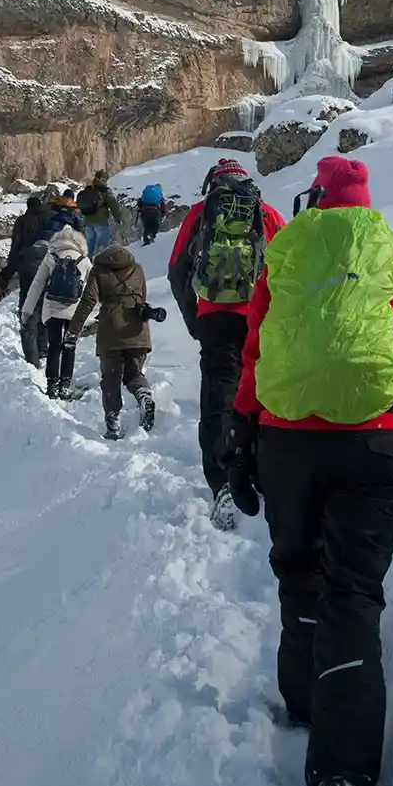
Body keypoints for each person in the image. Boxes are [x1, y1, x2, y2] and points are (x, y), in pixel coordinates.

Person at [226, 155, 393, 786]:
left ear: (316, 199)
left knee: (298, 573)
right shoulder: (388, 258)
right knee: (354, 594)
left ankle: (304, 701)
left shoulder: (285, 254)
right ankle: (345, 774)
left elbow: (255, 352)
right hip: (375, 443)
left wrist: (243, 432)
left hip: (287, 445)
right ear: (362, 202)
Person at [168, 158, 284, 529]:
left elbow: (176, 269)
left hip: (215, 318)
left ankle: (222, 485)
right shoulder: (266, 213)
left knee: (219, 397)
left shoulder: (202, 212)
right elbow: (286, 267)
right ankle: (261, 475)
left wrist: (194, 319)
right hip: (258, 316)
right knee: (259, 393)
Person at [68, 243, 158, 440]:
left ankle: (113, 424)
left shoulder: (98, 270)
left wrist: (73, 330)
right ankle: (144, 396)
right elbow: (142, 297)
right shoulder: (137, 268)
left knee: (111, 378)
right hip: (137, 329)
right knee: (134, 373)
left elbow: (88, 300)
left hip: (111, 330)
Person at [20, 214, 91, 400]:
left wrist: (26, 311)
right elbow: (92, 290)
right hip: (74, 311)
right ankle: (65, 386)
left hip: (52, 308)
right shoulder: (84, 260)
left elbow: (37, 285)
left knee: (54, 346)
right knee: (70, 346)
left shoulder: (51, 257)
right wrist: (93, 316)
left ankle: (52, 385)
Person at [0, 194, 57, 367]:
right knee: (45, 307)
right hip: (49, 264)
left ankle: (32, 360)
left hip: (27, 266)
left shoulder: (22, 221)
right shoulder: (52, 216)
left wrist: (8, 270)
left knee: (29, 311)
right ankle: (43, 347)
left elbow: (16, 245)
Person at [76, 170, 122, 259]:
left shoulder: (89, 189)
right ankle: (100, 267)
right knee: (102, 247)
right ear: (103, 179)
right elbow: (113, 205)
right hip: (101, 222)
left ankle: (86, 266)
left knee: (89, 247)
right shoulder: (105, 190)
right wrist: (118, 218)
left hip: (88, 222)